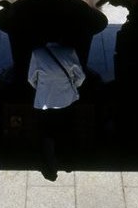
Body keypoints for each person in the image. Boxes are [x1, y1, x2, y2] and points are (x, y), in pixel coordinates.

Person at [27, 40, 84, 180]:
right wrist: (72, 85)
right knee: (66, 130)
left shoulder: (37, 54)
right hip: (66, 100)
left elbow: (31, 79)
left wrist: (42, 89)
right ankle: (67, 162)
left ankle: (50, 165)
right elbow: (81, 77)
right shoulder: (69, 52)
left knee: (47, 132)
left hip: (45, 101)